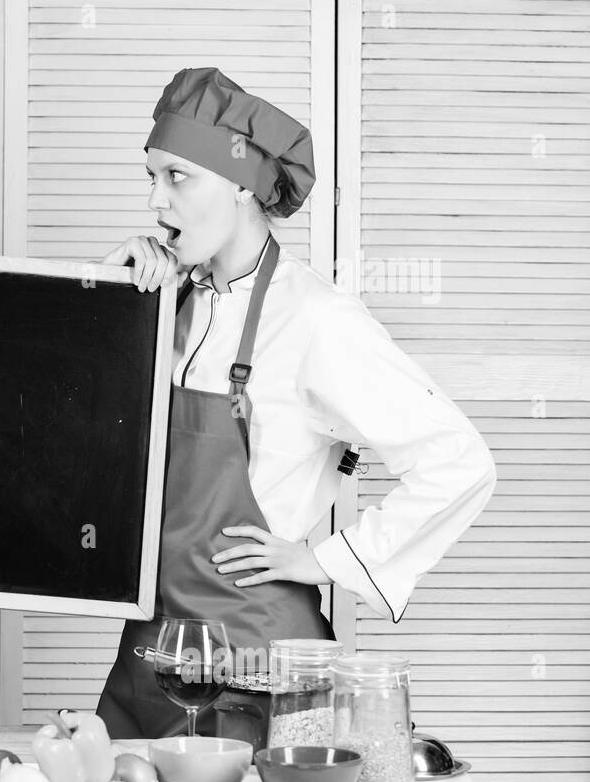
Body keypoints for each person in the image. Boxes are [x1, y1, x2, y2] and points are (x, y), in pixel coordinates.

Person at [95, 68, 497, 738]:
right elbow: (70, 451)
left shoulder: (316, 320)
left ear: (244, 185)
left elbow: (459, 461)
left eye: (177, 177)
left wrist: (328, 560)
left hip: (256, 677)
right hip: (150, 663)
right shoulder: (166, 304)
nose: (155, 203)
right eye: (151, 177)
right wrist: (109, 298)